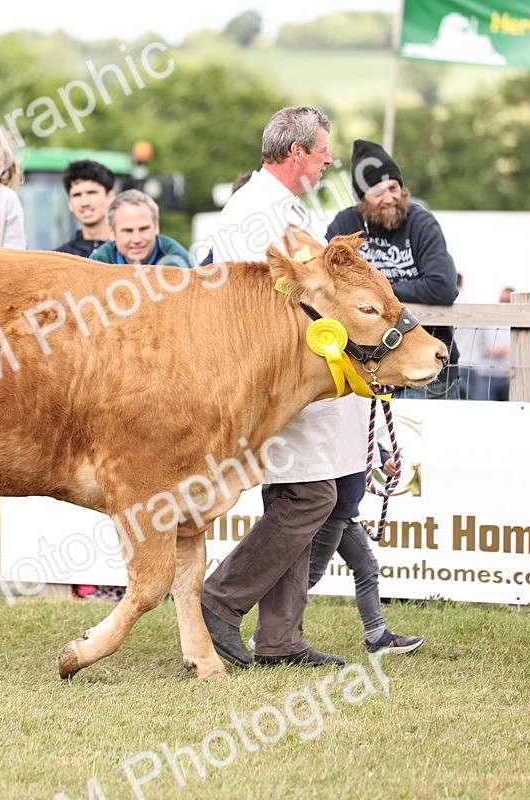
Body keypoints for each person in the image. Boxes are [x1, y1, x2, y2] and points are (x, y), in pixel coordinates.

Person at [200, 106, 354, 668]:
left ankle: (282, 639)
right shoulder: (259, 211)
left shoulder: (274, 205)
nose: (329, 160)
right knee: (311, 496)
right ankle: (219, 601)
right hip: (274, 373)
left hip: (288, 371)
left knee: (300, 492)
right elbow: (264, 300)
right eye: (321, 152)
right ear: (296, 154)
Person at [325, 139, 459, 399]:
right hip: (367, 367)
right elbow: (332, 286)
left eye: (394, 187)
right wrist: (409, 288)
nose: (389, 198)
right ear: (362, 198)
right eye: (378, 191)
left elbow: (442, 288)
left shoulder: (420, 223)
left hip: (428, 368)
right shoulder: (345, 224)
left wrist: (375, 293)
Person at [308, 460, 425, 655]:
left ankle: (377, 636)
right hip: (334, 512)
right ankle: (271, 631)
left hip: (346, 511)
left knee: (367, 568)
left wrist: (384, 457)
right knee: (309, 574)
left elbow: (364, 435)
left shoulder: (359, 429)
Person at [88, 190, 192, 267]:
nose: (137, 239)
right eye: (128, 231)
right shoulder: (98, 263)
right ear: (112, 232)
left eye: (143, 229)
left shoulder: (179, 262)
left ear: (156, 226)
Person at [54, 159, 116, 258]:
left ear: (110, 196)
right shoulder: (60, 258)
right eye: (77, 195)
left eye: (91, 193)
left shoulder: (127, 252)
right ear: (69, 203)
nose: (84, 202)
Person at [469, 287, 514, 401]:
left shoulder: (517, 323)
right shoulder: (488, 320)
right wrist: (489, 350)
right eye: (502, 300)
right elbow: (476, 344)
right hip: (487, 376)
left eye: (507, 301)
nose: (504, 303)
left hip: (509, 377)